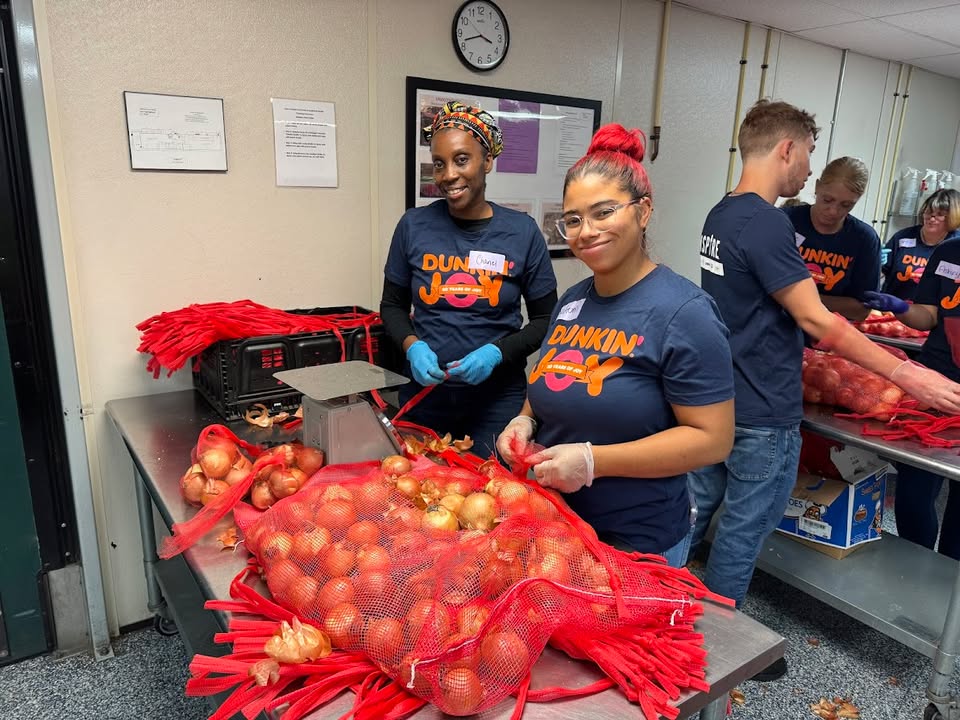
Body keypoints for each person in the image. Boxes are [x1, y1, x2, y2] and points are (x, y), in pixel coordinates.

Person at [689, 99, 960, 681]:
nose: (810, 170)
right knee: (745, 524)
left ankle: (670, 613)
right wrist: (906, 373)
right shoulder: (767, 222)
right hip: (763, 405)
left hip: (719, 396)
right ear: (786, 147)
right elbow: (820, 322)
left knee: (697, 507)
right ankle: (720, 642)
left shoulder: (721, 213)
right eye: (808, 152)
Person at [495, 124, 735, 569]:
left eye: (604, 212)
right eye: (572, 219)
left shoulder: (685, 312)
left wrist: (592, 462)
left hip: (636, 543)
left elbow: (713, 440)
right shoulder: (573, 301)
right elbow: (554, 379)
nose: (586, 231)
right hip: (555, 529)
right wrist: (524, 421)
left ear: (643, 212)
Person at [380, 102, 558, 457]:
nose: (448, 175)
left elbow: (546, 320)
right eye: (440, 163)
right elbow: (392, 306)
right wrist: (411, 345)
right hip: (425, 398)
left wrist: (498, 352)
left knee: (493, 499)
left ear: (487, 160)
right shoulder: (413, 226)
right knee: (417, 497)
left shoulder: (520, 232)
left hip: (497, 401)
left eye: (462, 160)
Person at [862, 196, 960, 560]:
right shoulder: (949, 253)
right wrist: (902, 308)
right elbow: (929, 315)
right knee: (914, 493)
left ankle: (949, 585)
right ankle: (916, 566)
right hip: (933, 384)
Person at [782, 157, 881, 321]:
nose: (833, 211)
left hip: (827, 337)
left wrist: (795, 299)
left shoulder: (864, 239)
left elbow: (861, 309)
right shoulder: (786, 221)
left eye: (846, 205)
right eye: (827, 200)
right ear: (817, 186)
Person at [880, 189, 960, 301]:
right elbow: (879, 275)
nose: (931, 219)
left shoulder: (955, 246)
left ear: (952, 217)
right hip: (891, 308)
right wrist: (874, 263)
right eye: (928, 213)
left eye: (940, 215)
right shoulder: (902, 237)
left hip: (933, 313)